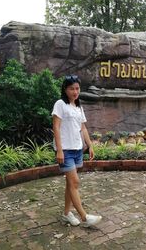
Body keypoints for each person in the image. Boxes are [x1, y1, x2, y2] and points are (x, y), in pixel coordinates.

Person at [52, 75, 102, 227]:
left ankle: (67, 213)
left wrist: (90, 145)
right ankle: (85, 218)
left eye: (77, 88)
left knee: (70, 183)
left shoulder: (78, 107)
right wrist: (59, 150)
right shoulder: (60, 104)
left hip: (77, 149)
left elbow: (83, 128)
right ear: (65, 89)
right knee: (75, 182)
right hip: (65, 150)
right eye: (71, 88)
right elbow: (56, 127)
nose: (75, 91)